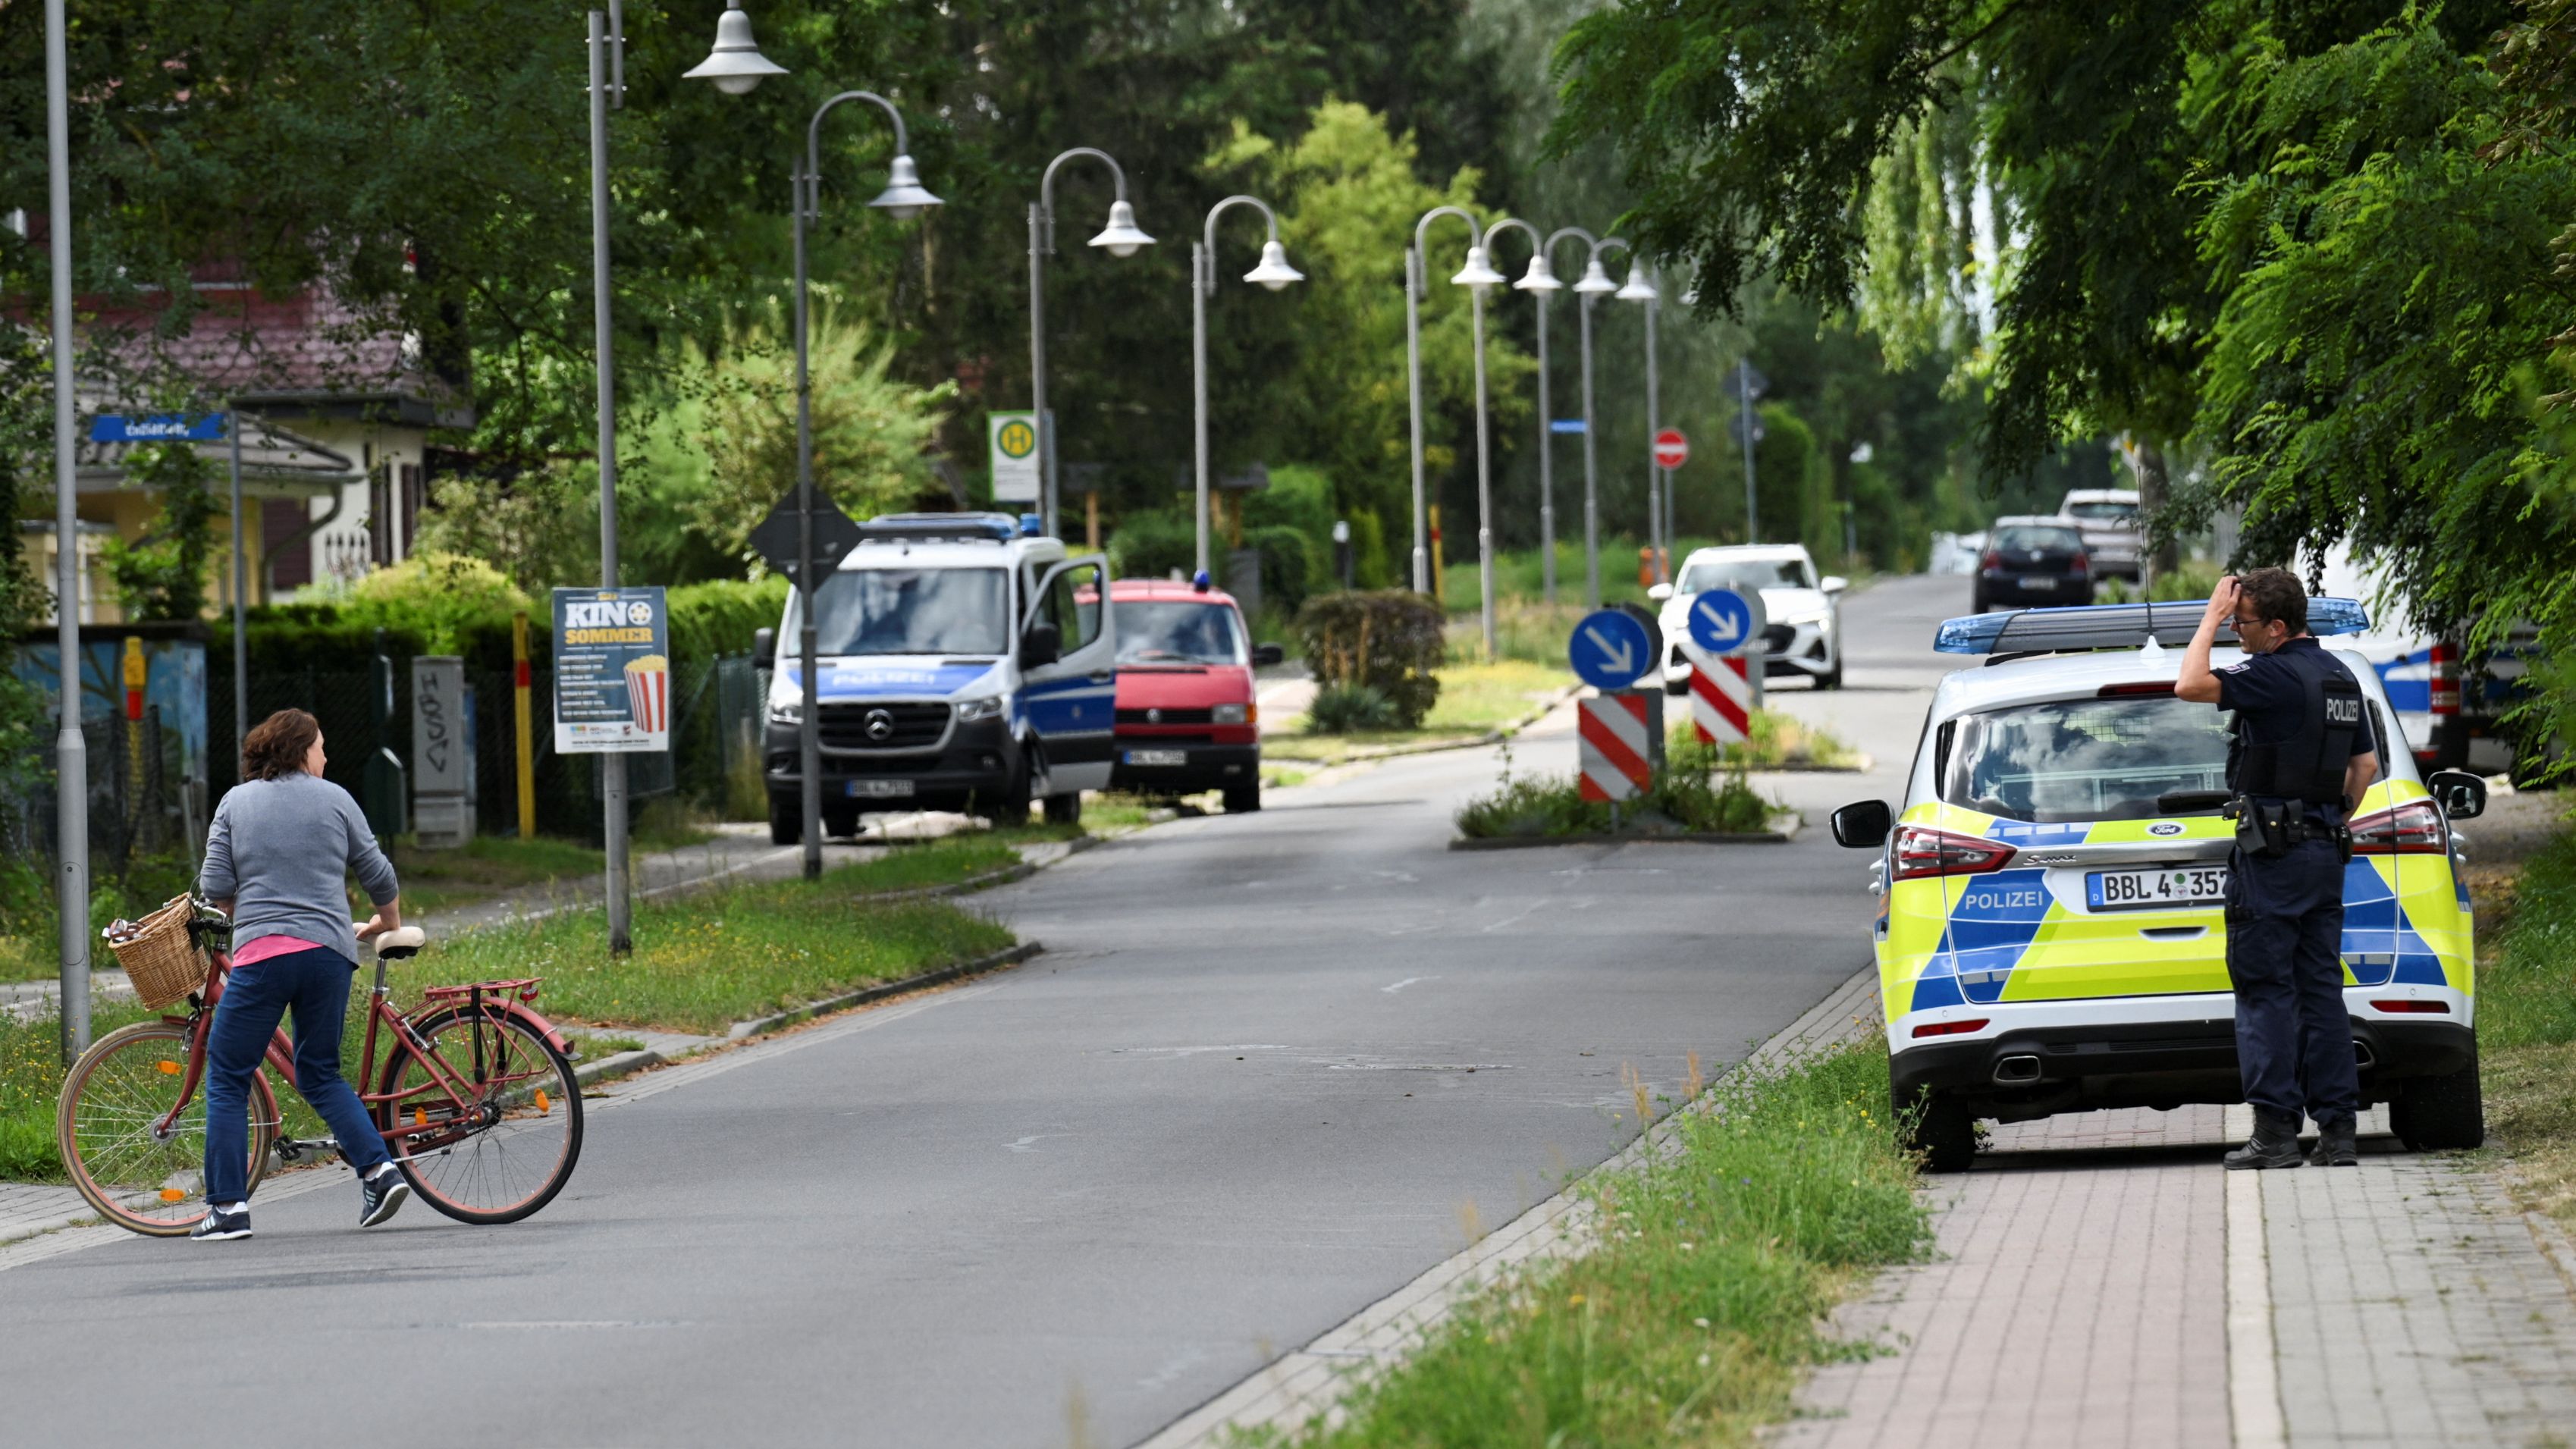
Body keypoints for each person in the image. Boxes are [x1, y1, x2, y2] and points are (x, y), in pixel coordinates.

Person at [2178, 569, 2379, 1169]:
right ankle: (2338, 1133)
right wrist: (2324, 817)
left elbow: (2188, 683)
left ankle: (2274, 1135)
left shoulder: (2270, 674)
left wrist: (2208, 617)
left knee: (2264, 991)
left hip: (2272, 858)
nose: (2236, 632)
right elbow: (2364, 766)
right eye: (2231, 622)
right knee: (2320, 992)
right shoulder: (2339, 676)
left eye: (2241, 624)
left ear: (2277, 627)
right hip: (2324, 852)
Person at [191, 708, 412, 1240]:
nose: (326, 756)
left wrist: (242, 912)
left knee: (226, 1074)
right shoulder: (335, 797)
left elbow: (216, 884)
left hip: (264, 956)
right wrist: (389, 923)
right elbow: (377, 870)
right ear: (299, 750)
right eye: (320, 747)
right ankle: (380, 1170)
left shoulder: (236, 802)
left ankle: (227, 1208)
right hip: (329, 955)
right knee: (320, 1071)